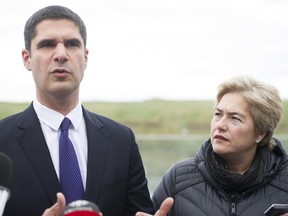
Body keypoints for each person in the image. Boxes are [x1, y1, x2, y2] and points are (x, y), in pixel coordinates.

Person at [0, 5, 154, 216]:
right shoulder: (2, 140)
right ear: (27, 58)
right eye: (47, 44)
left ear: (85, 57)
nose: (61, 54)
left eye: (72, 44)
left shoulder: (122, 140)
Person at [136, 75, 288, 216]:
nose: (220, 125)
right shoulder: (178, 179)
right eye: (218, 114)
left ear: (260, 132)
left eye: (234, 118)